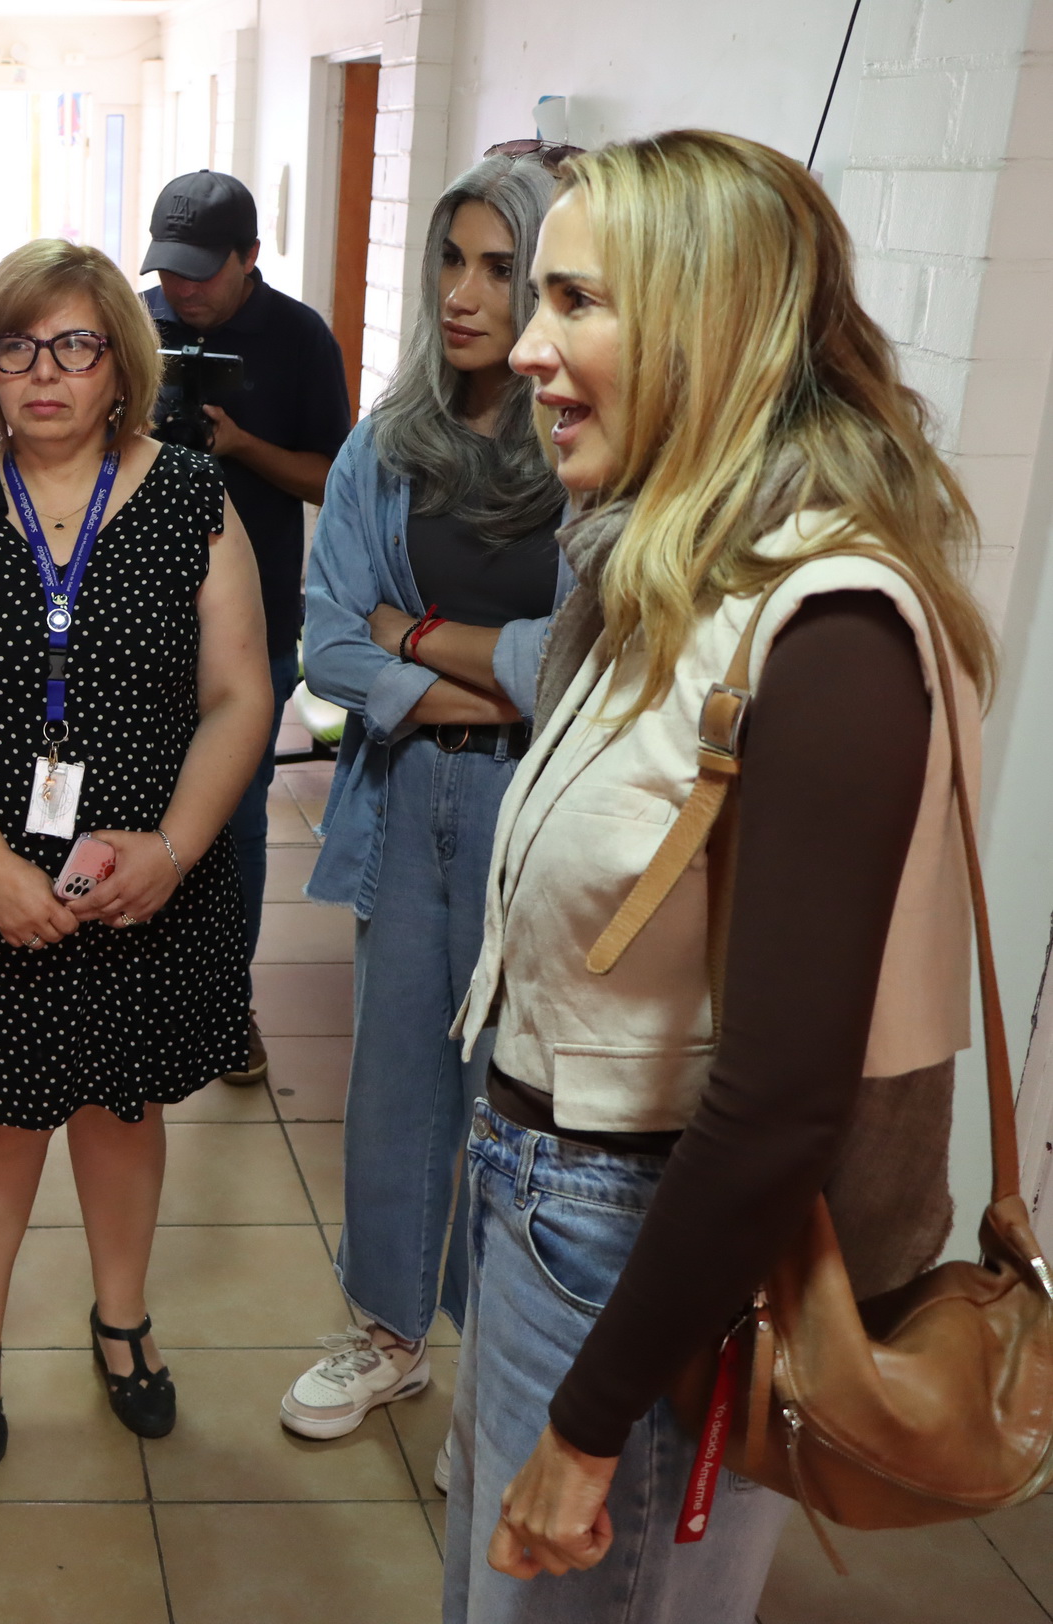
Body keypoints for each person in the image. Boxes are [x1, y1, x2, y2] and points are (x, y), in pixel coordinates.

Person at [445, 131, 995, 1621]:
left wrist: (590, 1421)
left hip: (642, 1252)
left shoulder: (829, 632)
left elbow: (777, 1106)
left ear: (712, 323)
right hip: (546, 1205)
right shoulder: (669, 573)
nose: (531, 350)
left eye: (576, 302)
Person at [0, 239, 272, 1470]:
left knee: (119, 1103)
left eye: (77, 346)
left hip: (137, 878)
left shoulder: (194, 496)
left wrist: (173, 846)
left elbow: (241, 696)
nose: (47, 373)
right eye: (18, 347)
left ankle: (123, 1323)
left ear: (119, 363)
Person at [280, 152, 571, 1452]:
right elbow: (329, 644)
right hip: (406, 800)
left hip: (543, 808)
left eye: (499, 268)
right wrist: (476, 673)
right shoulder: (385, 444)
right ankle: (390, 1337)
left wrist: (418, 634)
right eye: (451, 260)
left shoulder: (597, 462)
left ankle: (503, 1372)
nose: (462, 293)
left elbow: (580, 667)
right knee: (400, 1080)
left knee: (524, 1098)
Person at [142, 170, 353, 1086]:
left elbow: (332, 480)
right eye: (169, 272)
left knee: (234, 819)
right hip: (137, 616)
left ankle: (225, 1000)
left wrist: (242, 447)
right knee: (134, 803)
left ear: (250, 259)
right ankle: (134, 987)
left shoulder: (300, 337)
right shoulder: (131, 320)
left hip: (253, 619)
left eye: (201, 274)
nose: (181, 292)